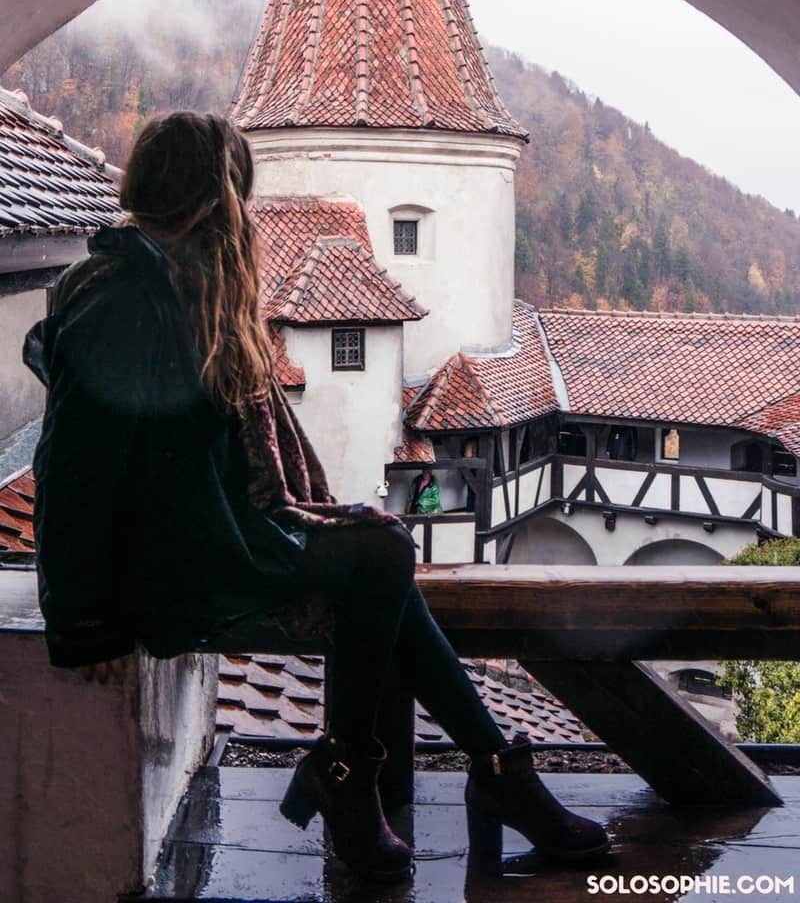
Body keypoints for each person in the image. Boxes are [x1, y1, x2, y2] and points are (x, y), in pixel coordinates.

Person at [23, 111, 609, 883]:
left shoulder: (166, 276)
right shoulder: (130, 295)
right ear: (214, 200)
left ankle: (445, 769)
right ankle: (405, 775)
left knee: (382, 567)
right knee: (386, 553)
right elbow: (72, 466)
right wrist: (84, 621)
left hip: (207, 535)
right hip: (179, 562)